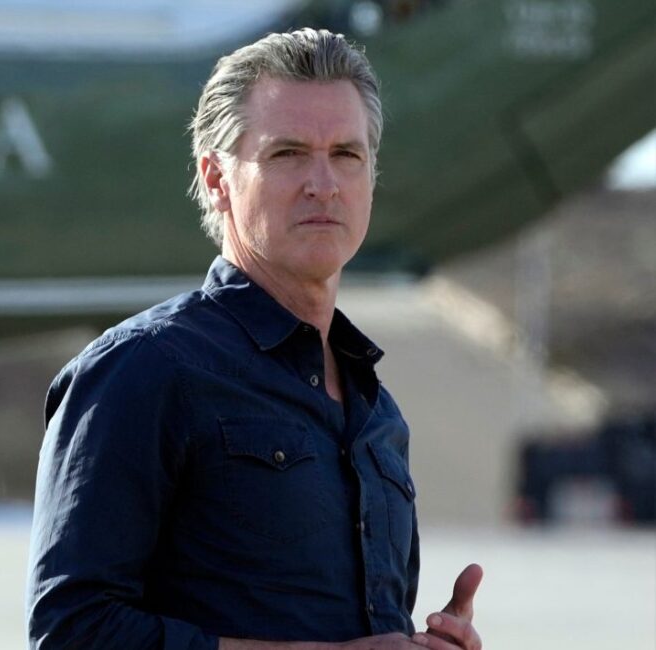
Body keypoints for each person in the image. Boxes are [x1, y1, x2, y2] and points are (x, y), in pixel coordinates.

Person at [26, 28, 484, 650]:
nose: (323, 183)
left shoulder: (377, 411)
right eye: (288, 153)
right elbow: (70, 633)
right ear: (216, 178)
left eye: (347, 154)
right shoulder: (145, 369)